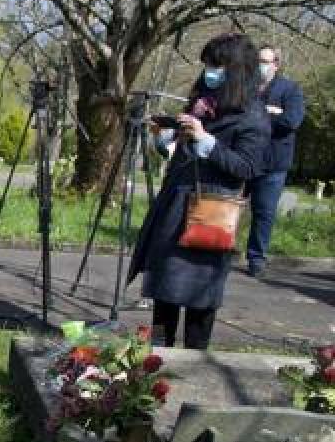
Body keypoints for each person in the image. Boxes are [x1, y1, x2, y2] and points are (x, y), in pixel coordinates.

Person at [128, 33, 269, 349]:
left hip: (209, 215)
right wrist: (168, 140)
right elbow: (185, 151)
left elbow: (247, 167)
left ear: (235, 70)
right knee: (163, 294)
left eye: (216, 65)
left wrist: (207, 140)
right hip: (174, 208)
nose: (209, 71)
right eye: (207, 64)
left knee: (199, 303)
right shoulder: (202, 101)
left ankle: (195, 363)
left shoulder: (253, 116)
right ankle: (157, 361)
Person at [244, 44, 305, 277]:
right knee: (231, 204)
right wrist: (269, 114)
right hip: (243, 158)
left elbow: (291, 122)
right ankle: (220, 249)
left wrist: (261, 117)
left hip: (273, 163)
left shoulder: (290, 89)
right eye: (258, 60)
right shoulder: (246, 87)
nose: (260, 65)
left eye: (265, 61)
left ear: (276, 64)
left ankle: (256, 258)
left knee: (264, 212)